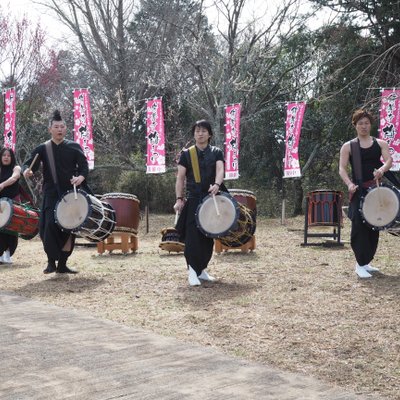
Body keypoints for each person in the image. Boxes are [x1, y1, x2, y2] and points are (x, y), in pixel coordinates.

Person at [23, 109, 89, 274]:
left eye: (62, 126)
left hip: (70, 193)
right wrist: (26, 171)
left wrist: (81, 177)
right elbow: (29, 164)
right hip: (51, 192)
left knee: (69, 227)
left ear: (66, 129)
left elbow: (84, 167)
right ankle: (51, 262)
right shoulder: (43, 148)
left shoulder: (74, 147)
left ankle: (62, 265)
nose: (59, 129)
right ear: (50, 129)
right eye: (56, 126)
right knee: (49, 225)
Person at [339, 109, 392, 278]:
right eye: (360, 123)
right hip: (358, 190)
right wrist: (349, 184)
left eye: (367, 123)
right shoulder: (349, 146)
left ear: (371, 124)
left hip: (376, 190)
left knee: (374, 225)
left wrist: (382, 170)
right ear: (355, 125)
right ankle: (359, 264)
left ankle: (366, 262)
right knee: (359, 227)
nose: (364, 126)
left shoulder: (380, 143)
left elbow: (389, 160)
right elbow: (342, 168)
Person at [174, 120, 225, 286]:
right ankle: (191, 271)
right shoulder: (187, 154)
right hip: (194, 199)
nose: (200, 133)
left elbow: (220, 170)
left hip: (211, 199)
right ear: (194, 134)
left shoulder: (217, 152)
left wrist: (217, 185)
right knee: (192, 238)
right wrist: (179, 199)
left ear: (209, 134)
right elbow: (180, 178)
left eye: (203, 131)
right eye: (197, 131)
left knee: (207, 238)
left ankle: (202, 270)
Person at [0, 148, 22, 264]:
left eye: (8, 155)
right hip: (0, 203)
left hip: (13, 202)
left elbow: (14, 178)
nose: (6, 157)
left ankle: (8, 253)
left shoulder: (16, 168)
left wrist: (2, 185)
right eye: (4, 155)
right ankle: (1, 253)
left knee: (12, 229)